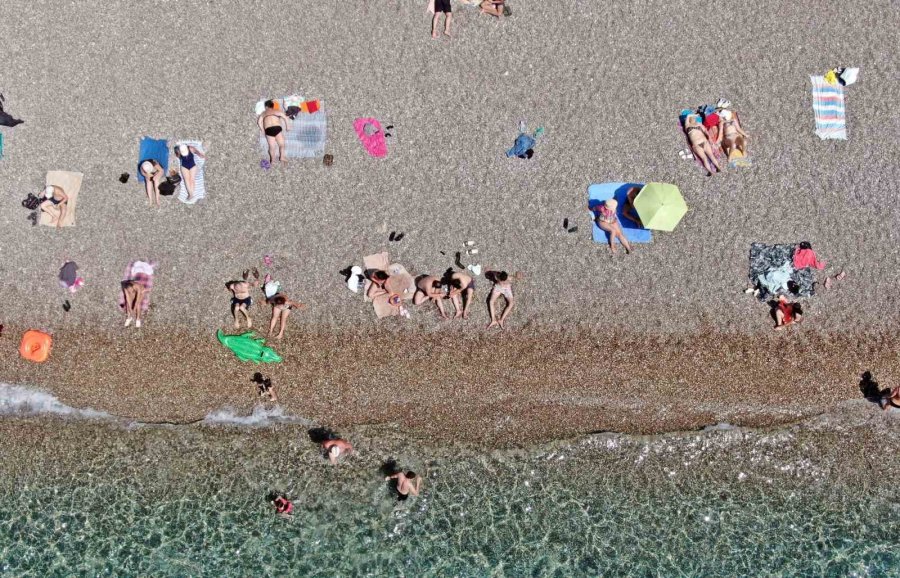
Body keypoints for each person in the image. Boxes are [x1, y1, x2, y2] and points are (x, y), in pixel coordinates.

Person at [257, 100, 291, 165]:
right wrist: (288, 126)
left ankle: (272, 160)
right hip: (277, 128)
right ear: (272, 106)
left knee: (272, 147)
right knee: (282, 144)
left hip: (268, 130)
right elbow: (285, 117)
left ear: (266, 107)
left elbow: (259, 122)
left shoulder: (263, 113)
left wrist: (263, 130)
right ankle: (282, 157)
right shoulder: (276, 111)